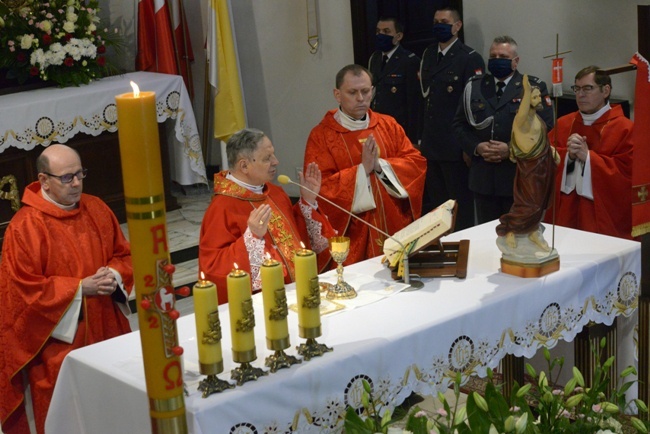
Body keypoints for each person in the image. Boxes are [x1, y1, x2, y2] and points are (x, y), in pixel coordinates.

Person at [0, 144, 133, 434]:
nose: (76, 183)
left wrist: (113, 274)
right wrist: (77, 289)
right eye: (66, 178)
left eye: (80, 174)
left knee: (117, 406)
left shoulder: (96, 208)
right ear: (43, 180)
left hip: (108, 328)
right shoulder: (24, 227)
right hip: (58, 344)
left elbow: (123, 255)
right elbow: (22, 292)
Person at [304, 64, 426, 265]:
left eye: (365, 91)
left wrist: (380, 166)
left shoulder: (388, 125)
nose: (360, 98)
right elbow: (319, 188)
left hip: (393, 223)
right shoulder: (321, 136)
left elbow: (416, 163)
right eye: (352, 92)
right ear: (337, 94)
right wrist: (361, 172)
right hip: (353, 233)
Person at [199, 128, 336, 303]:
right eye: (267, 158)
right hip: (266, 304)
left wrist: (308, 202)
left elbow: (295, 238)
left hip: (300, 292)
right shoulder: (221, 208)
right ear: (244, 166)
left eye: (273, 155)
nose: (276, 161)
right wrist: (251, 238)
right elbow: (212, 268)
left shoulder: (276, 193)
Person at [453, 35, 554, 224]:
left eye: (503, 57)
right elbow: (459, 125)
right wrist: (476, 147)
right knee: (486, 234)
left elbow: (545, 127)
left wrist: (510, 149)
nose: (496, 60)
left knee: (516, 235)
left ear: (515, 62)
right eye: (493, 56)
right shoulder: (474, 86)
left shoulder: (531, 87)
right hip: (483, 177)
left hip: (518, 176)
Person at [544, 66, 633, 239]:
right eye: (577, 89)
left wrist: (589, 158)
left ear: (605, 90)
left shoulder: (625, 129)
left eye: (588, 88)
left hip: (603, 220)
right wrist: (568, 157)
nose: (580, 95)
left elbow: (628, 176)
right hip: (565, 215)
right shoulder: (564, 124)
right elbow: (544, 163)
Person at [419, 7, 484, 228]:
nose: (439, 25)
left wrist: (469, 145)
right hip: (431, 145)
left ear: (457, 26)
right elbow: (426, 99)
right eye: (436, 21)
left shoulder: (469, 58)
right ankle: (441, 249)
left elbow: (473, 106)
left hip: (455, 146)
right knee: (437, 208)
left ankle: (462, 251)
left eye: (444, 21)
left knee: (459, 208)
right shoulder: (428, 54)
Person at [496, 75, 559, 254]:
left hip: (543, 164)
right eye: (534, 97)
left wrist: (550, 151)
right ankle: (512, 230)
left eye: (539, 96)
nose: (538, 100)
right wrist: (526, 89)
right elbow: (524, 112)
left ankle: (533, 230)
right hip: (529, 166)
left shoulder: (537, 119)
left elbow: (542, 139)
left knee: (541, 202)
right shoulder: (521, 119)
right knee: (529, 203)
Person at [368, 16, 421, 143]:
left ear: (398, 36)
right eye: (378, 31)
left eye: (386, 31)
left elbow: (414, 104)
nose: (381, 35)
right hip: (377, 128)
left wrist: (414, 138)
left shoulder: (409, 61)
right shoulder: (374, 58)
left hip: (399, 129)